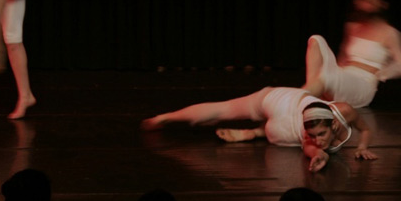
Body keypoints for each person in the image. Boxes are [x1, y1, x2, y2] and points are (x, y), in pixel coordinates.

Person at [141, 86, 378, 170]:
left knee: (223, 109)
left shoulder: (342, 111)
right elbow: (310, 147)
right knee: (223, 110)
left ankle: (165, 118)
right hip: (279, 114)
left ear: (333, 123)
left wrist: (362, 147)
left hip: (280, 102)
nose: (318, 140)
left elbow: (364, 131)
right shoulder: (308, 129)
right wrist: (319, 154)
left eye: (322, 134)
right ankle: (257, 132)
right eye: (313, 135)